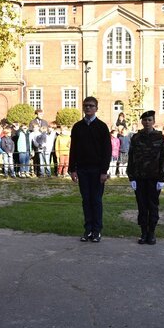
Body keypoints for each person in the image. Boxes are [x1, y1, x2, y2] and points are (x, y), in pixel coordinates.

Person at [68, 96, 112, 242]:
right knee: (86, 200)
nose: (88, 108)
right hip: (82, 169)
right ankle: (88, 229)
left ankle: (97, 230)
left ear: (96, 108)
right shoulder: (77, 127)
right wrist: (72, 169)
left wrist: (104, 171)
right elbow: (73, 149)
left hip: (97, 170)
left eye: (91, 106)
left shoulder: (102, 127)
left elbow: (107, 151)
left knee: (96, 200)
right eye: (86, 105)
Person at [127, 111, 164, 245]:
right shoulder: (136, 138)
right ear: (142, 122)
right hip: (139, 177)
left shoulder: (159, 137)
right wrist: (131, 177)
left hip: (154, 178)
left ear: (153, 121)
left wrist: (162, 178)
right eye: (145, 120)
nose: (147, 122)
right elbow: (131, 158)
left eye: (149, 120)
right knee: (142, 206)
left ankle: (151, 232)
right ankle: (143, 232)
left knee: (153, 205)